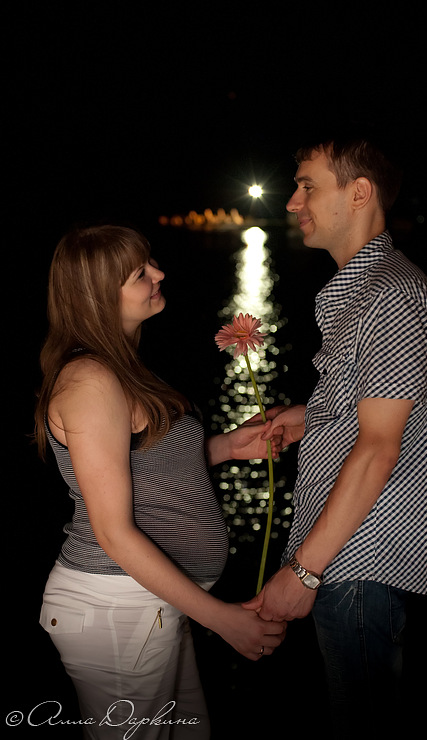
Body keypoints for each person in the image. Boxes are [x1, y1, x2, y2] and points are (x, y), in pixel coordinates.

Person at [34, 224, 287, 739]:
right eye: (139, 273)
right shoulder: (89, 382)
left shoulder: (120, 369)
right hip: (115, 608)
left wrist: (227, 447)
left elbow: (143, 466)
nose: (159, 274)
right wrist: (221, 619)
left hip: (146, 605)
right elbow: (112, 533)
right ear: (98, 296)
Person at [244, 130, 427, 737]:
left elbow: (380, 448)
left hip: (357, 564)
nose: (293, 202)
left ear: (359, 193)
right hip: (348, 563)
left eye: (307, 187)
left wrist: (304, 572)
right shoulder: (366, 293)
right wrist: (308, 417)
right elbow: (380, 418)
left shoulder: (389, 297)